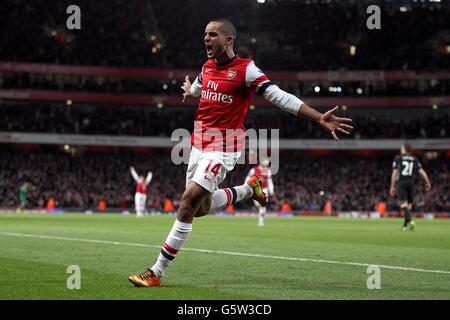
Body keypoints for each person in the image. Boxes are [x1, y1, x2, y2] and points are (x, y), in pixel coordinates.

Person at [128, 19, 353, 287]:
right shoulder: (207, 66)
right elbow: (200, 86)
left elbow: (278, 95)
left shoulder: (246, 69)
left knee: (187, 202)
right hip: (198, 144)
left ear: (228, 39)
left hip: (225, 146)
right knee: (201, 208)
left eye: (212, 35)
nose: (206, 39)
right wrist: (191, 90)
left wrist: (318, 117)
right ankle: (249, 189)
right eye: (205, 35)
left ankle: (156, 272)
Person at [390, 143, 431, 231]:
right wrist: (427, 182)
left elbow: (394, 173)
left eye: (401, 148)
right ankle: (405, 226)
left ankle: (411, 221)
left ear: (405, 149)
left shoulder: (398, 158)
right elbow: (422, 172)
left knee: (403, 205)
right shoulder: (414, 159)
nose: (400, 149)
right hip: (411, 182)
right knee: (409, 206)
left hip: (401, 182)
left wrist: (392, 186)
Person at [245, 158, 274, 226]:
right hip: (255, 189)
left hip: (264, 190)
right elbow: (247, 178)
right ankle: (261, 217)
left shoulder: (268, 171)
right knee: (258, 205)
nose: (267, 164)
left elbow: (269, 181)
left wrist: (271, 190)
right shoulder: (253, 170)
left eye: (267, 163)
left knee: (262, 205)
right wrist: (245, 186)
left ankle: (261, 221)